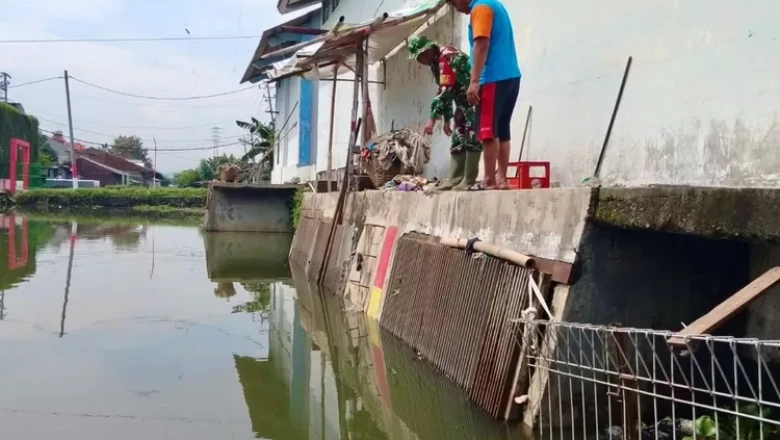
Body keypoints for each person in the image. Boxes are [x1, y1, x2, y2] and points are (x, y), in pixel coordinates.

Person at [448, 0, 521, 190]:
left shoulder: (480, 8)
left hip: (492, 78)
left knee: (488, 132)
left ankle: (489, 179)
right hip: (511, 76)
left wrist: (474, 82)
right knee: (502, 130)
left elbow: (481, 45)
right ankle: (501, 179)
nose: (455, 8)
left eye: (452, 2)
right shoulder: (493, 4)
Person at [408, 35, 482, 191]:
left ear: (427, 51)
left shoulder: (447, 57)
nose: (419, 61)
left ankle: (468, 179)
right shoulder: (435, 63)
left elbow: (444, 91)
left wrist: (432, 120)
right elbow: (445, 87)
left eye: (419, 57)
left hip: (474, 99)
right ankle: (455, 178)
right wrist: (447, 119)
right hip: (461, 101)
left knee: (472, 136)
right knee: (458, 137)